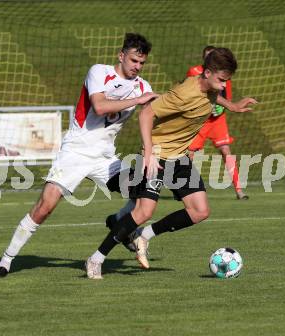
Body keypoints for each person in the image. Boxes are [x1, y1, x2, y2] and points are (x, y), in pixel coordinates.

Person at [0, 33, 158, 278]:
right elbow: (99, 106)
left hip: (105, 158)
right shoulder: (99, 72)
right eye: (133, 61)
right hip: (75, 152)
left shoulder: (143, 86)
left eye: (141, 63)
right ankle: (5, 261)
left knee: (143, 191)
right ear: (121, 56)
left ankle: (118, 220)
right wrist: (139, 99)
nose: (137, 67)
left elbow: (154, 110)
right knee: (45, 207)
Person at [85, 47, 257, 279]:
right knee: (144, 210)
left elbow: (213, 96)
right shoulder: (184, 94)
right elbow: (146, 114)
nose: (224, 85)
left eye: (226, 81)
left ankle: (143, 235)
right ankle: (96, 259)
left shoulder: (209, 88)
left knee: (200, 211)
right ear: (207, 73)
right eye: (221, 80)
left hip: (179, 157)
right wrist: (148, 152)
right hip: (157, 155)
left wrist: (233, 106)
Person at [187, 45, 248, 200]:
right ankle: (187, 189)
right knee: (189, 154)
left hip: (217, 120)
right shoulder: (194, 72)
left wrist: (223, 108)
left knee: (226, 151)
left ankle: (239, 190)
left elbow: (226, 94)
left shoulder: (223, 74)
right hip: (201, 119)